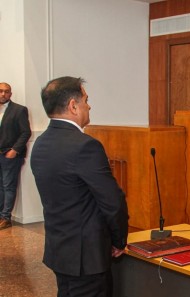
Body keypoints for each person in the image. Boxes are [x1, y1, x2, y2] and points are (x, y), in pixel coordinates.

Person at [31, 77, 128, 296]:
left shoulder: (41, 143)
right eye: (86, 99)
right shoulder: (86, 146)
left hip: (60, 250)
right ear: (73, 106)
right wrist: (119, 240)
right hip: (87, 257)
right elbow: (112, 201)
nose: (89, 105)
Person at [0, 82, 31, 230]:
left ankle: (6, 218)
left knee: (8, 186)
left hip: (10, 155)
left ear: (10, 94)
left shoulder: (19, 110)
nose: (3, 94)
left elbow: (26, 132)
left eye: (6, 92)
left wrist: (15, 150)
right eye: (0, 91)